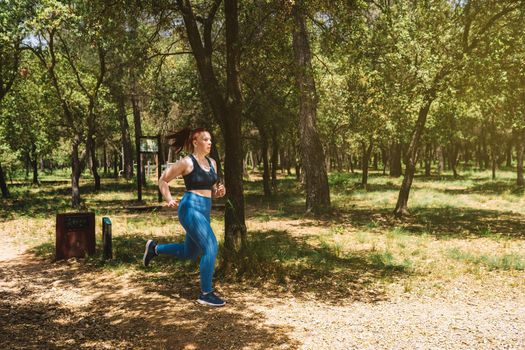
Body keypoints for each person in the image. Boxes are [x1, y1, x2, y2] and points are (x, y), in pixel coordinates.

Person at [143, 127, 227, 307]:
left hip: (205, 209)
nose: (209, 143)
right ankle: (206, 293)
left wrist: (219, 192)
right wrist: (169, 198)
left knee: (191, 252)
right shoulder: (186, 162)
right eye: (205, 140)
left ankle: (155, 249)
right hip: (190, 208)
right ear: (195, 142)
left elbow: (211, 190)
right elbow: (163, 180)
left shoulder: (212, 163)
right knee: (211, 245)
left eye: (210, 140)